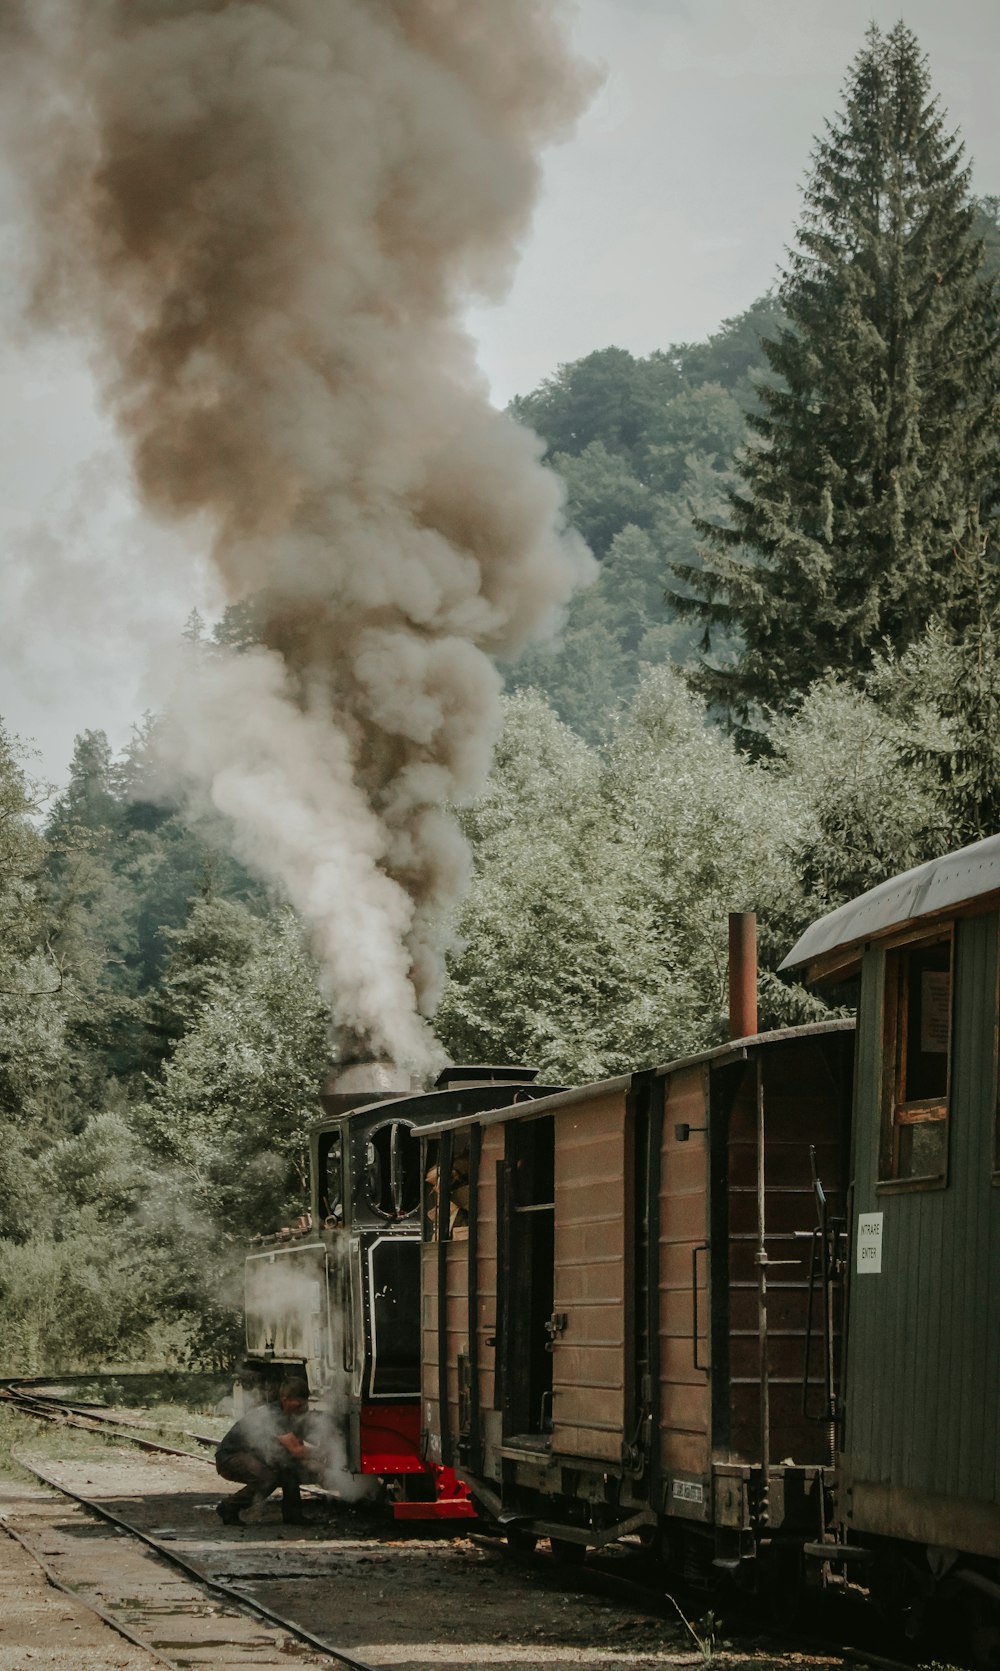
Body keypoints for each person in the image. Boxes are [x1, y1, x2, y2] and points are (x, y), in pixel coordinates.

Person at [215, 1375, 318, 1526]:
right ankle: (228, 1507)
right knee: (267, 1478)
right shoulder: (275, 1415)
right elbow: (297, 1450)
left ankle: (293, 1515)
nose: (302, 1409)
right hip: (230, 1457)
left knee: (289, 1467)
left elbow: (297, 1452)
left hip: (252, 1454)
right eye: (298, 1404)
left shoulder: (291, 1415)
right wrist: (324, 1455)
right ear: (285, 1400)